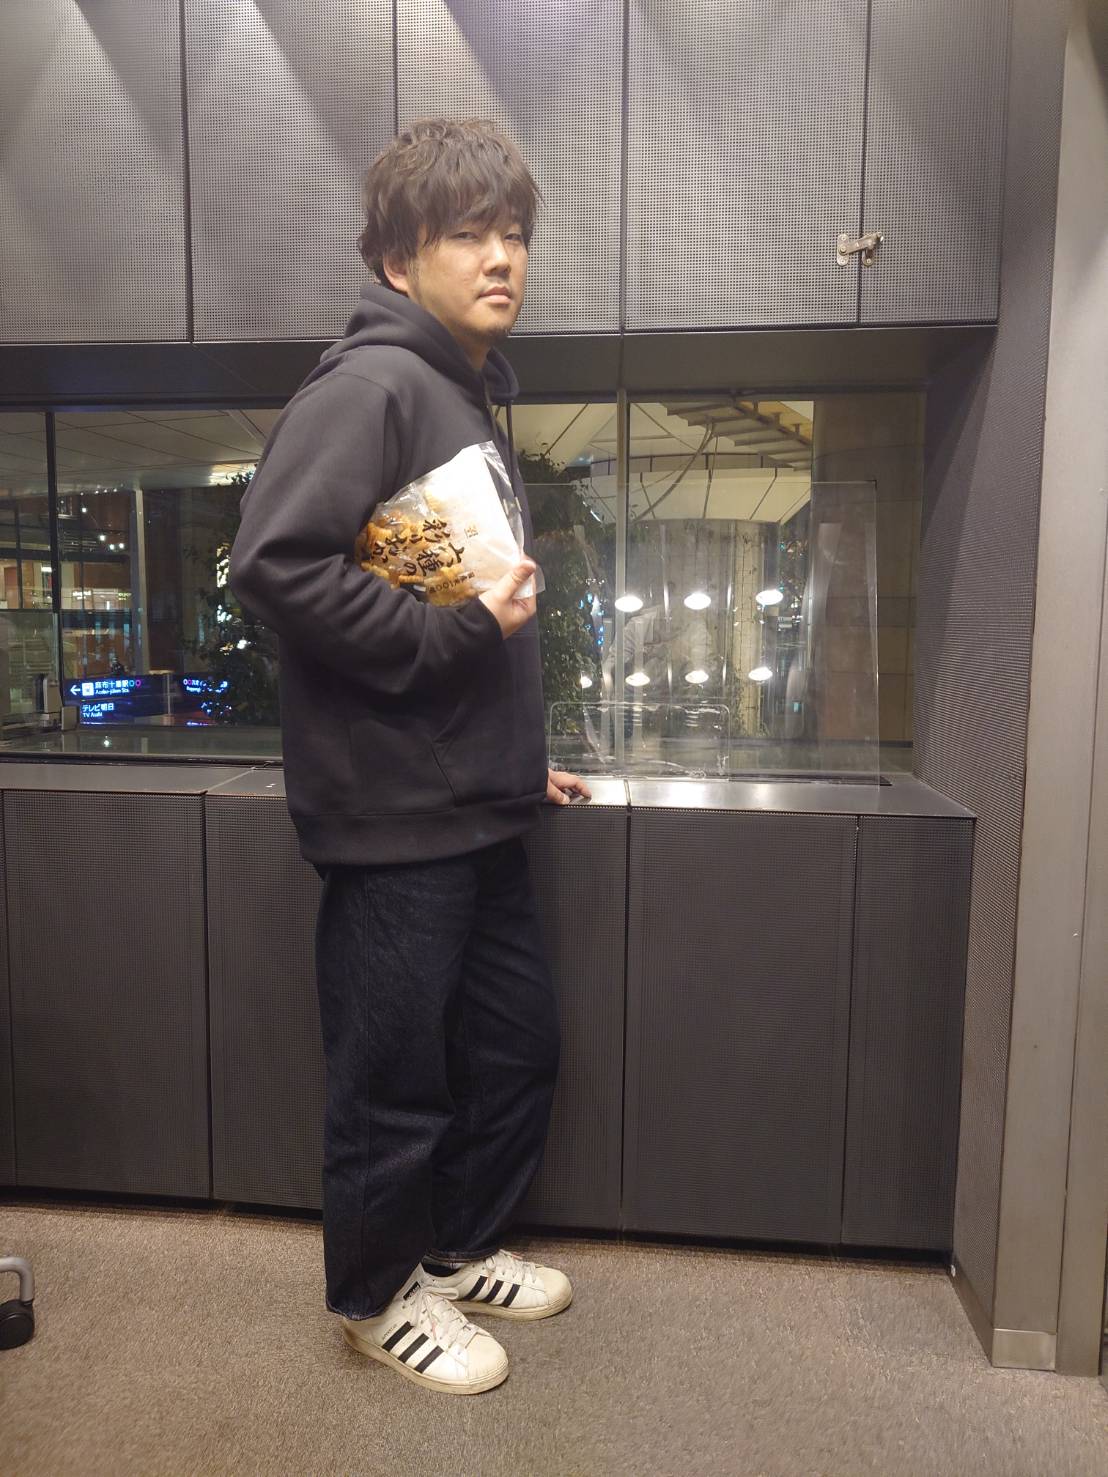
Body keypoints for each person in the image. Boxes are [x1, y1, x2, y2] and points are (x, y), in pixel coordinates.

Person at [228, 116, 590, 1396]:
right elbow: (274, 565)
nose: (501, 257)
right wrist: (453, 635)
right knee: (393, 1080)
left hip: (475, 803)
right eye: (467, 235)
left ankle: (454, 1248)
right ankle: (376, 1299)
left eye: (514, 234)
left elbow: (459, 590)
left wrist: (512, 756)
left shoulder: (463, 393)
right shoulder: (370, 387)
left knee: (513, 1050)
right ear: (397, 260)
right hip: (392, 819)